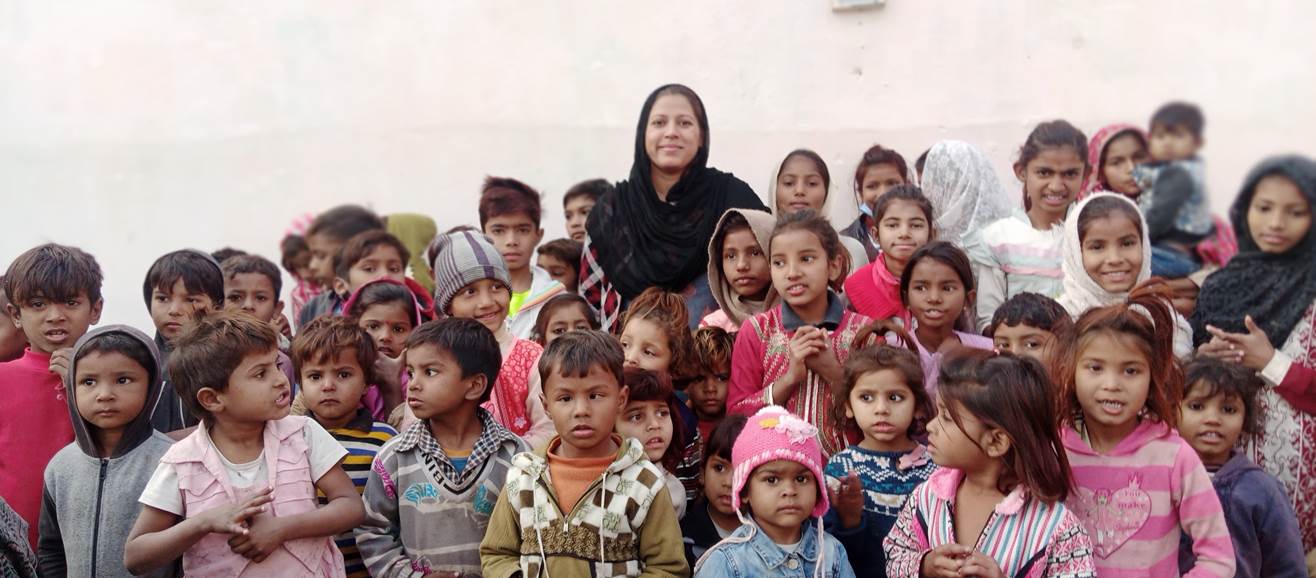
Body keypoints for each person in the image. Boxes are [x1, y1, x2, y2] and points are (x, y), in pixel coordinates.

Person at [125, 311, 365, 577]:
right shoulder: (182, 462)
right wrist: (203, 523)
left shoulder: (302, 434)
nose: (280, 379)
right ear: (212, 399)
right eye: (261, 373)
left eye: (276, 364)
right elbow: (136, 556)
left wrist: (281, 528)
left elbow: (351, 507)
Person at [479, 330, 688, 578]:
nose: (581, 410)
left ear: (621, 399)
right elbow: (496, 555)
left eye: (595, 396)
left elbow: (668, 568)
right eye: (565, 398)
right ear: (546, 406)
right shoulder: (524, 476)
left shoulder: (644, 483)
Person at [1057, 294, 1234, 577]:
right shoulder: (1053, 450)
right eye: (1095, 368)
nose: (1112, 384)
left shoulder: (1173, 456)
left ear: (1152, 378)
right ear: (1071, 372)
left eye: (1130, 371)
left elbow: (1218, 558)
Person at [1191, 155, 1316, 551]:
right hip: (1219, 480)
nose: (1276, 223)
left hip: (1304, 489)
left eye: (1295, 212)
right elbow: (1189, 389)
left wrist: (1270, 363)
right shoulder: (1220, 286)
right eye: (1264, 208)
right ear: (1245, 209)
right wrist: (1205, 363)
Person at [883, 350, 1096, 578]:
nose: (930, 427)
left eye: (946, 417)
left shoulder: (1054, 527)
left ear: (995, 441)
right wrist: (925, 566)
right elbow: (895, 553)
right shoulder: (927, 497)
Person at [580, 83, 766, 332]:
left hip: (719, 363)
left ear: (702, 136)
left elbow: (770, 278)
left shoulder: (731, 198)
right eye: (658, 123)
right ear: (642, 135)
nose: (671, 132)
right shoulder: (613, 211)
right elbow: (591, 301)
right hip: (629, 364)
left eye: (685, 123)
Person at [355, 318, 527, 577]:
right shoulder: (394, 457)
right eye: (411, 372)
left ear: (474, 385)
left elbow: (533, 532)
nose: (413, 383)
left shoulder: (516, 456)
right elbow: (372, 530)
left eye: (430, 372)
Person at [728, 210, 875, 457]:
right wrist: (788, 379)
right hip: (776, 479)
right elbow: (736, 416)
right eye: (779, 262)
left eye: (806, 259)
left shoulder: (866, 334)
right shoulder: (756, 331)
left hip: (851, 479)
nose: (792, 272)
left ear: (833, 265)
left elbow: (884, 415)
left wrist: (833, 372)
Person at [37, 327, 176, 578]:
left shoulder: (171, 462)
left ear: (152, 385)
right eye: (89, 382)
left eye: (123, 380)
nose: (105, 395)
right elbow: (51, 550)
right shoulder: (60, 467)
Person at [0, 243, 104, 547]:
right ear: (15, 314)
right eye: (37, 304)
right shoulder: (3, 378)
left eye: (70, 302)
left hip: (85, 542)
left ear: (95, 309)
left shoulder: (115, 379)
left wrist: (84, 381)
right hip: (11, 547)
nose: (55, 316)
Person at [1176, 357, 1307, 578]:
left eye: (1228, 409)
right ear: (1171, 411)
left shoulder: (1262, 489)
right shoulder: (1159, 479)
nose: (1213, 419)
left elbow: (1287, 567)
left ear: (1246, 419)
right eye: (1197, 406)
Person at [692, 406, 855, 578]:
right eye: (772, 480)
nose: (789, 491)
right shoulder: (726, 562)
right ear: (745, 491)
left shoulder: (832, 553)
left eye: (801, 479)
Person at [292, 316, 398, 578]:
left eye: (343, 374)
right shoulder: (286, 438)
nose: (328, 385)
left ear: (366, 383)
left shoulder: (386, 441)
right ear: (301, 384)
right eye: (315, 376)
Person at [823, 334, 936, 577]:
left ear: (917, 405)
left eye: (895, 397)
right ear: (848, 406)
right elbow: (832, 553)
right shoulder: (840, 468)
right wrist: (850, 521)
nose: (881, 409)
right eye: (866, 398)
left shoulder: (936, 468)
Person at [967, 120, 1087, 328]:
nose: (1057, 186)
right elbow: (988, 321)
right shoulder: (998, 239)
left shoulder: (1090, 235)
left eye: (1070, 174)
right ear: (1021, 172)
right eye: (1044, 172)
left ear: (1086, 174)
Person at [1058, 193, 1194, 359]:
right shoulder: (1058, 320)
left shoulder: (1165, 321)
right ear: (1076, 253)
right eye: (1097, 247)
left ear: (1144, 246)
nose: (1115, 259)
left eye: (1127, 243)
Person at [1132, 102, 1215, 278]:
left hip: (1170, 255)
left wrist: (1135, 240)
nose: (1167, 143)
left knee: (1126, 263)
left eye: (1177, 135)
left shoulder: (1178, 175)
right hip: (1174, 254)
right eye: (1160, 136)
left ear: (1198, 142)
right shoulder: (1185, 169)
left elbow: (1159, 217)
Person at [479, 176, 567, 339]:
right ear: (483, 235)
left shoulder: (558, 299)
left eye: (522, 230)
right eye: (499, 231)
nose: (511, 241)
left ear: (538, 235)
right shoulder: (469, 299)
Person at [843, 185, 934, 327]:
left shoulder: (944, 280)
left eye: (916, 225)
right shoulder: (857, 285)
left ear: (931, 234)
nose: (904, 233)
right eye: (892, 225)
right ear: (876, 235)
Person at [766, 148, 869, 270]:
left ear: (827, 191)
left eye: (812, 183)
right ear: (775, 189)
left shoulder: (851, 250)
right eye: (789, 183)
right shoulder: (759, 248)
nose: (799, 191)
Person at [918, 140, 1013, 249]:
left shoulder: (1001, 239)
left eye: (939, 185)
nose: (927, 192)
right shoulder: (923, 235)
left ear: (964, 186)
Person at [681, 415, 747, 568]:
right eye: (719, 468)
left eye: (741, 471)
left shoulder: (770, 531)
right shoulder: (684, 537)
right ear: (702, 474)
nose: (729, 482)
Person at [701, 208, 777, 332]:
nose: (741, 265)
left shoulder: (798, 317)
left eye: (755, 253)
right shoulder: (714, 328)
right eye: (731, 256)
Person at [840, 144, 917, 263]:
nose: (883, 193)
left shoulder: (921, 234)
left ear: (907, 185)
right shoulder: (846, 241)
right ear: (861, 192)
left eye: (892, 183)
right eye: (872, 186)